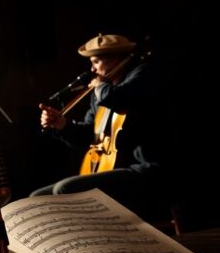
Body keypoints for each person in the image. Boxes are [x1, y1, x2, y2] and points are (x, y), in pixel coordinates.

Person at [31, 34, 175, 217]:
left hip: (148, 169)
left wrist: (100, 88)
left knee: (65, 189)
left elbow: (119, 99)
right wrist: (62, 125)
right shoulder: (102, 90)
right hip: (118, 169)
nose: (92, 69)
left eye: (96, 61)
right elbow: (91, 137)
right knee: (37, 198)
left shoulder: (142, 75)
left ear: (116, 59)